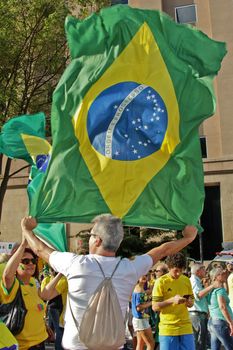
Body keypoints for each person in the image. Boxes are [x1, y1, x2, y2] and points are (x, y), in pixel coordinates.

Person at [21, 214, 197, 350]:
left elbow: (39, 248)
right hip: (113, 344)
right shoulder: (129, 268)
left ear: (97, 240)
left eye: (91, 234)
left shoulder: (76, 264)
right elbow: (162, 250)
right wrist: (188, 238)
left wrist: (27, 229)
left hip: (77, 345)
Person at [0, 243, 48, 350]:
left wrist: (47, 328)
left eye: (33, 261)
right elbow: (7, 276)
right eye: (25, 261)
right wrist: (23, 245)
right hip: (24, 346)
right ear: (16, 265)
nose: (31, 264)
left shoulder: (33, 282)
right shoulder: (13, 285)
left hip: (41, 343)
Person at [152, 252, 195, 350]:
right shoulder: (161, 282)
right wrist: (171, 300)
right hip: (168, 329)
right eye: (176, 270)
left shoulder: (186, 280)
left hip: (186, 327)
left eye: (181, 270)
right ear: (169, 267)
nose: (178, 273)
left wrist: (190, 302)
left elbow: (191, 299)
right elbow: (154, 307)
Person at [189, 263, 218, 350]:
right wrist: (212, 286)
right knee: (199, 342)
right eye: (203, 268)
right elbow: (197, 296)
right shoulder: (194, 280)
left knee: (200, 341)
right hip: (197, 315)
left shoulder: (196, 280)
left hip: (198, 315)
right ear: (198, 271)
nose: (205, 271)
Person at [40, 270, 68, 350]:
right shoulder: (62, 280)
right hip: (57, 308)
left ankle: (52, 340)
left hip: (54, 307)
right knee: (59, 331)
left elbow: (43, 292)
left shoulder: (47, 279)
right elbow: (44, 294)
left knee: (56, 329)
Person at [207, 267, 233, 350]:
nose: (225, 274)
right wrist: (230, 323)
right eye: (222, 274)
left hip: (212, 322)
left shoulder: (210, 290)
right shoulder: (219, 290)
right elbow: (222, 307)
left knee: (215, 348)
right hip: (220, 323)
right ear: (216, 276)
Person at [132, 275, 155, 350]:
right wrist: (152, 302)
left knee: (140, 343)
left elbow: (144, 295)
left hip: (139, 319)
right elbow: (139, 307)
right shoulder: (139, 290)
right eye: (141, 274)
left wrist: (150, 291)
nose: (144, 276)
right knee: (151, 344)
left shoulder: (139, 288)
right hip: (140, 320)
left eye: (146, 274)